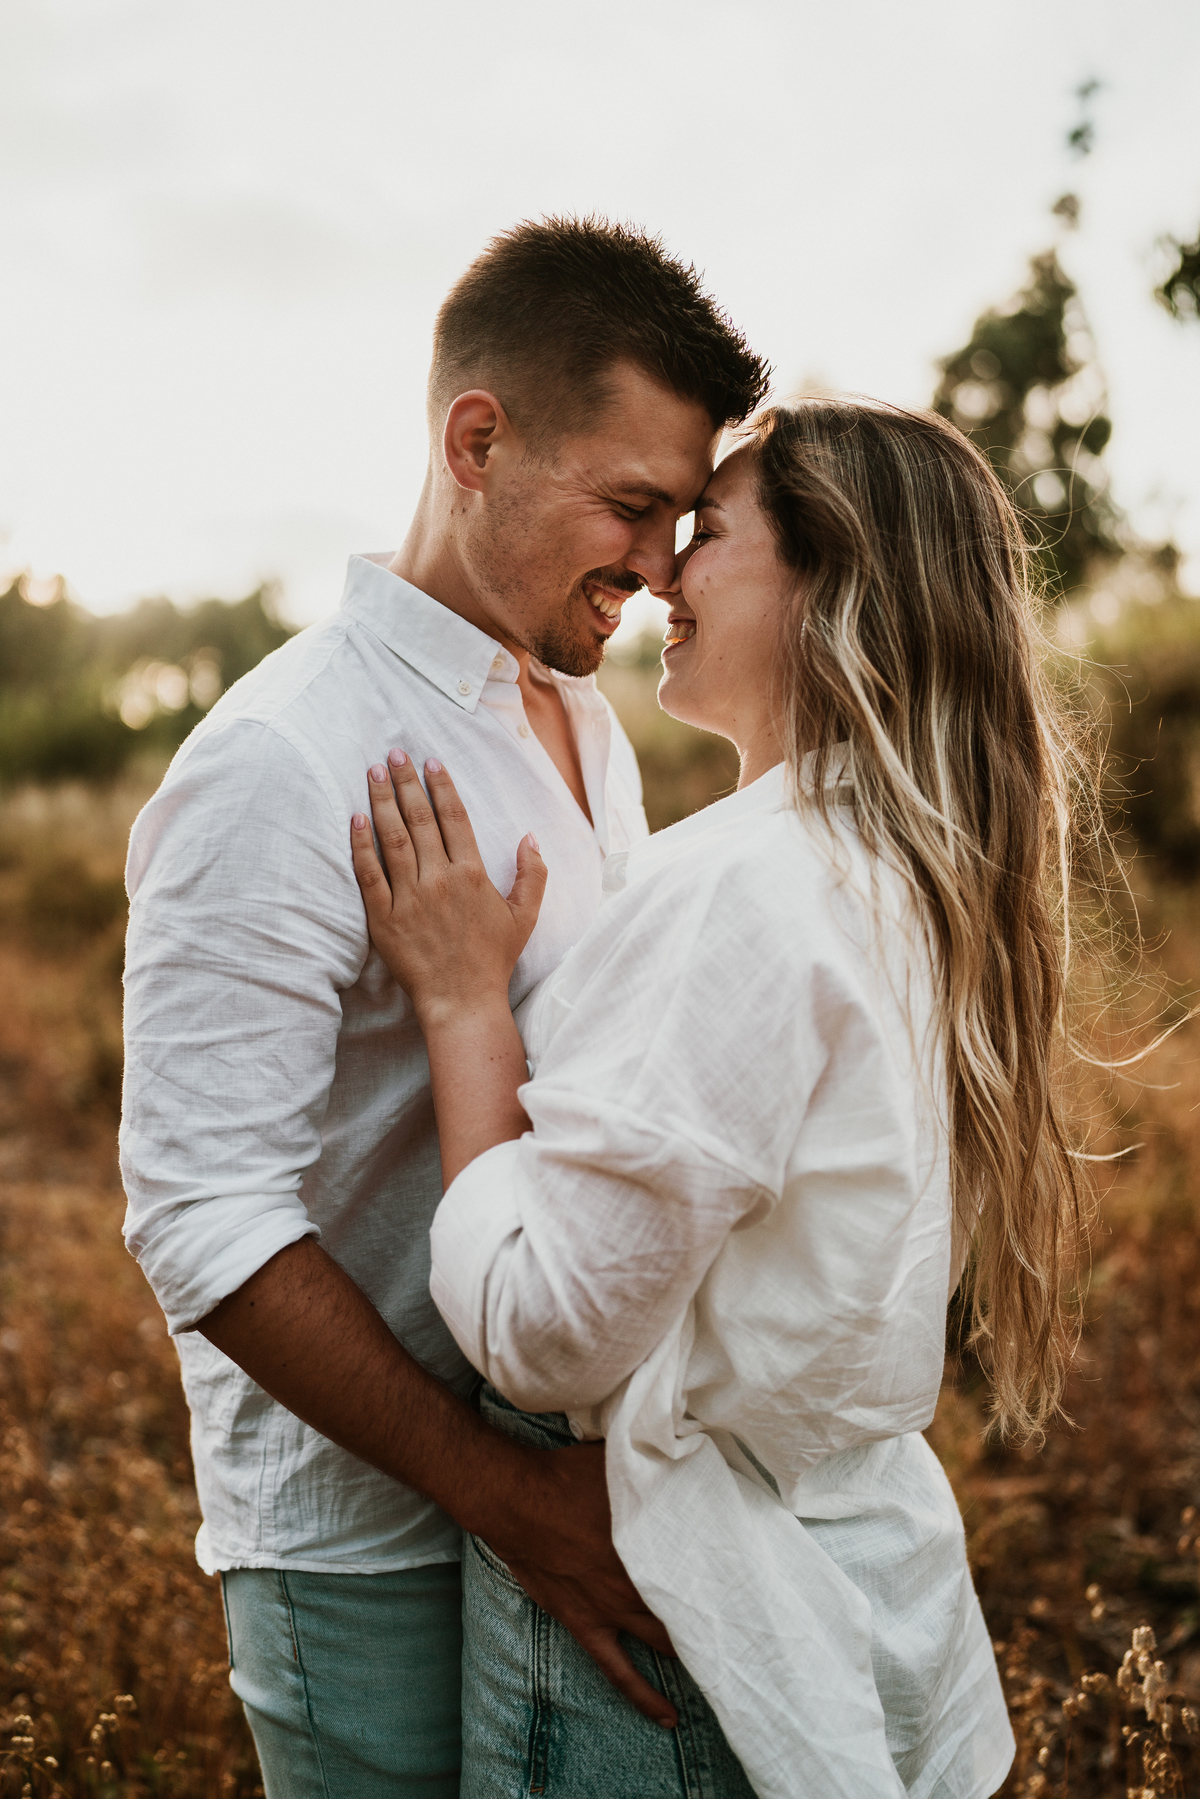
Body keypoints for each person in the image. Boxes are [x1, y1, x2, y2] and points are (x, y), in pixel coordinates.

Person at [349, 398, 1092, 1797]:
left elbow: (548, 1332)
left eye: (710, 536)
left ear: (831, 583)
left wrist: (462, 1013)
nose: (663, 576)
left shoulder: (747, 890)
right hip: (866, 1576)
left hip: (685, 1649)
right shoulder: (913, 868)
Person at [119, 216, 768, 1796]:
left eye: (683, 517)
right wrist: (498, 1490)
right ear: (477, 440)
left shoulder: (586, 721)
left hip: (563, 1502)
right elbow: (200, 1216)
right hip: (374, 1549)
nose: (661, 564)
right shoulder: (283, 757)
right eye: (632, 504)